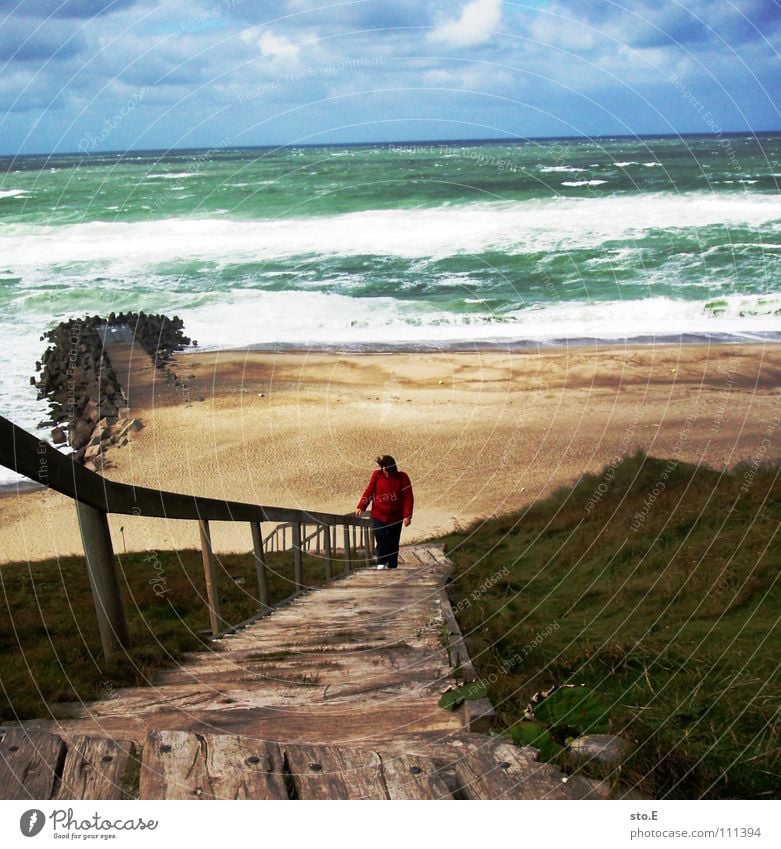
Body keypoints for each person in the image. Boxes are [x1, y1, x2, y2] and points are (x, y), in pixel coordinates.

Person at [355, 455, 413, 570]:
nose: (388, 473)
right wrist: (361, 506)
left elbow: (408, 497)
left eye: (390, 471)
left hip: (396, 517)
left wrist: (407, 515)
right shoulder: (377, 475)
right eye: (386, 471)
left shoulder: (402, 477)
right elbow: (369, 491)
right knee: (381, 538)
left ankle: (392, 566)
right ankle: (381, 564)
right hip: (379, 515)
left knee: (393, 542)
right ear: (382, 468)